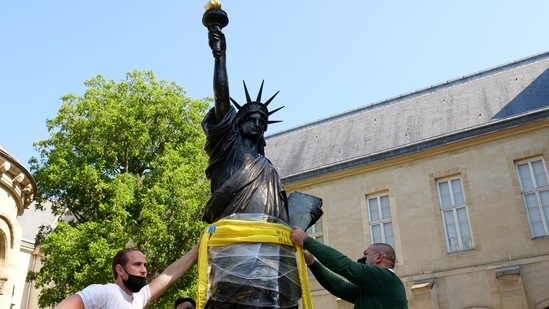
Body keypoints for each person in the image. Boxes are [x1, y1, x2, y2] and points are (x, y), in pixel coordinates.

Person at [199, 20, 320, 309]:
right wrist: (220, 57)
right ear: (237, 123)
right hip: (237, 246)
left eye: (262, 121)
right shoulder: (229, 147)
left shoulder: (268, 165)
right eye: (250, 118)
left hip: (272, 250)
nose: (256, 123)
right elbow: (221, 95)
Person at [290, 227, 408, 308]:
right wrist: (312, 262)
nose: (362, 258)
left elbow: (345, 265)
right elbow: (338, 287)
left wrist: (306, 241)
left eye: (366, 254)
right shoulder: (373, 288)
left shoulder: (385, 278)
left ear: (379, 257)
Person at [54, 243, 199, 309]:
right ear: (120, 269)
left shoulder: (139, 298)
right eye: (137, 264)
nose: (144, 270)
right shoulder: (105, 292)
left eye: (145, 265)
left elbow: (169, 275)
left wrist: (198, 247)